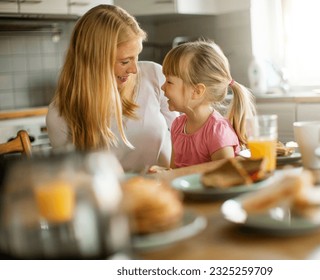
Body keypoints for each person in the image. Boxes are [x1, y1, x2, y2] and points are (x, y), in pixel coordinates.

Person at [46, 4, 178, 172]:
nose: (134, 69)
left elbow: (182, 136)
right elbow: (73, 182)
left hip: (164, 191)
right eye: (125, 61)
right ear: (94, 61)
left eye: (136, 57)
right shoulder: (60, 114)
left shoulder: (155, 76)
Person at [160, 40, 256, 168]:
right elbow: (174, 172)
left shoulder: (217, 132)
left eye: (169, 81)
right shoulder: (177, 126)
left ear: (197, 91)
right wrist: (163, 173)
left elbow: (224, 180)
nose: (162, 87)